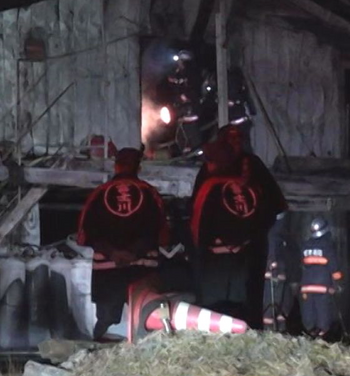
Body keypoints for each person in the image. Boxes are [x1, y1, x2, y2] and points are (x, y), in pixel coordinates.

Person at [77, 148, 169, 340]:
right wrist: (134, 253)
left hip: (108, 272)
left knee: (107, 324)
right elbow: (161, 232)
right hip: (143, 272)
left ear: (116, 165)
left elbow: (86, 234)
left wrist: (114, 253)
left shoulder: (98, 194)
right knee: (145, 323)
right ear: (139, 166)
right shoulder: (150, 194)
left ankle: (100, 361)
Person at [191, 140, 268, 323]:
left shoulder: (209, 188)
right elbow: (261, 223)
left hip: (215, 264)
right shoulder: (251, 189)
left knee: (213, 313)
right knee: (239, 309)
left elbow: (197, 226)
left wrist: (198, 252)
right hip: (243, 261)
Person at [300, 216, 342, 338]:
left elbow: (302, 264)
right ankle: (323, 332)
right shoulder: (327, 245)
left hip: (307, 285)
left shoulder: (305, 245)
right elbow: (334, 266)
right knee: (322, 309)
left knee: (309, 309)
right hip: (323, 285)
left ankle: (310, 331)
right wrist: (338, 282)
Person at [262, 212, 294, 332]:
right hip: (272, 277)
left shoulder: (281, 236)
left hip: (280, 276)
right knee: (271, 304)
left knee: (283, 304)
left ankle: (280, 330)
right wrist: (273, 266)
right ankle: (269, 330)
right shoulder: (273, 235)